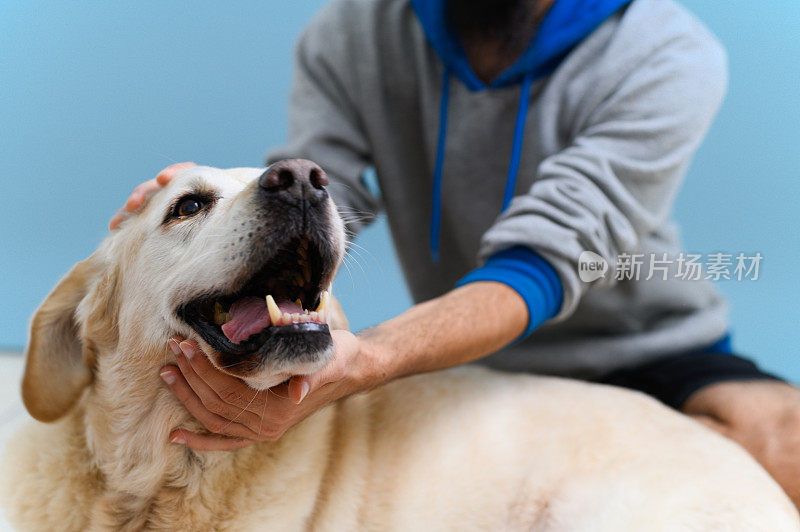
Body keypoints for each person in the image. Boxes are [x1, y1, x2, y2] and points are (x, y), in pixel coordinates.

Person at [111, 0, 800, 507]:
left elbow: (538, 264)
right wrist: (228, 207)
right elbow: (323, 204)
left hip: (651, 348)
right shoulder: (347, 36)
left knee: (786, 448)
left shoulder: (668, 53)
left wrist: (369, 359)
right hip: (467, 361)